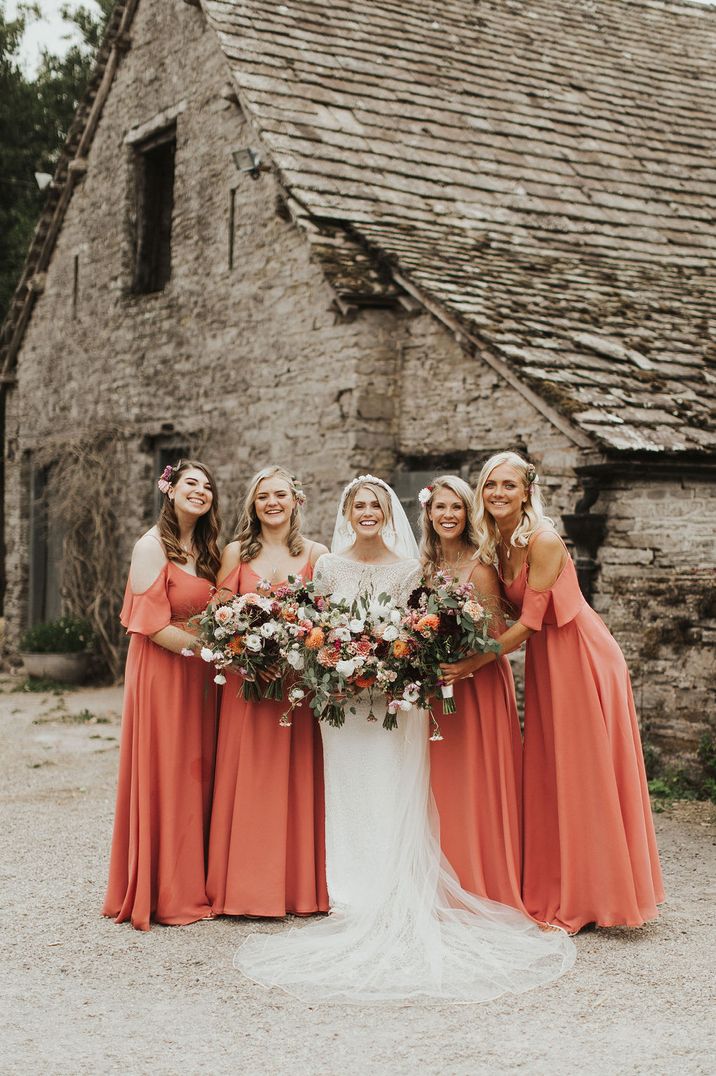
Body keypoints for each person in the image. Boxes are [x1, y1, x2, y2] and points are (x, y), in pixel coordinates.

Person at [234, 475, 575, 1002]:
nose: (367, 511)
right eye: (359, 504)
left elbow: (419, 631)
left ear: (387, 510)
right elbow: (312, 626)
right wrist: (334, 662)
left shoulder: (413, 568)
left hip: (394, 701)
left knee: (396, 788)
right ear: (347, 510)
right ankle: (348, 894)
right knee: (348, 793)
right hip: (342, 704)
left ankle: (395, 889)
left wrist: (388, 662)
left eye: (375, 504)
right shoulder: (326, 565)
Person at [441, 452, 664, 933]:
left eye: (508, 485)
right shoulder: (494, 542)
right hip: (548, 662)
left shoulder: (542, 541)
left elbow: (527, 625)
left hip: (581, 655)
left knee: (586, 773)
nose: (498, 493)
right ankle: (563, 882)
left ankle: (599, 895)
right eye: (490, 485)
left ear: (527, 492)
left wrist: (467, 666)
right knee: (552, 770)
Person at [102, 459, 221, 930]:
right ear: (168, 490)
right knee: (169, 770)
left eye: (208, 486)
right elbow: (149, 624)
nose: (201, 490)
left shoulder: (208, 547)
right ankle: (167, 890)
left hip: (201, 676)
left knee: (200, 771)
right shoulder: (150, 546)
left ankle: (200, 878)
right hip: (164, 672)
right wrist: (210, 650)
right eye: (190, 483)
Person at [206, 466, 329, 917]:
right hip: (248, 684)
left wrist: (303, 648)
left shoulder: (317, 553)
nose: (271, 503)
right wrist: (242, 654)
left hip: (296, 691)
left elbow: (328, 623)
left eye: (280, 495)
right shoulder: (236, 552)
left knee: (295, 779)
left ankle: (298, 890)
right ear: (253, 506)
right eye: (263, 497)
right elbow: (216, 616)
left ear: (296, 501)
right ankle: (242, 887)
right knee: (248, 780)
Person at [419, 475, 524, 910]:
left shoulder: (480, 567)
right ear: (428, 513)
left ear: (468, 513)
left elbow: (496, 633)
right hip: (439, 686)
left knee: (475, 779)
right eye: (440, 507)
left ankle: (483, 881)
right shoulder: (424, 568)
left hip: (476, 683)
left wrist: (463, 664)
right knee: (442, 783)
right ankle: (444, 876)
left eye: (456, 508)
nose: (448, 515)